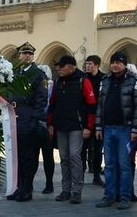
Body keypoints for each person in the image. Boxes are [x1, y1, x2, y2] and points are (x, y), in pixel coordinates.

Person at [95, 51, 137, 210]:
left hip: (126, 129)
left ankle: (125, 197)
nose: (115, 65)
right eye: (113, 62)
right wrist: (98, 127)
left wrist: (135, 129)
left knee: (124, 165)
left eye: (119, 62)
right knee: (109, 165)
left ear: (124, 64)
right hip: (108, 129)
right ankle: (109, 196)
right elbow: (100, 106)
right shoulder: (105, 80)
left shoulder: (134, 81)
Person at [47, 55, 96, 204]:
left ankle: (77, 190)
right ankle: (65, 189)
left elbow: (92, 105)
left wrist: (89, 127)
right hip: (61, 126)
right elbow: (52, 104)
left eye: (62, 66)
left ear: (71, 67)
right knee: (64, 158)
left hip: (77, 126)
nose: (59, 69)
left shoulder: (83, 80)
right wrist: (50, 123)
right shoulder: (58, 82)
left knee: (74, 156)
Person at [6, 42, 48, 202]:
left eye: (30, 53)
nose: (27, 56)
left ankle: (27, 189)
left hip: (28, 117)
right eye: (24, 53)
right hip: (14, 116)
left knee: (28, 156)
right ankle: (17, 187)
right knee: (15, 156)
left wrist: (35, 120)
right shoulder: (14, 72)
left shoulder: (38, 74)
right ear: (19, 55)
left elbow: (41, 99)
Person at [82, 55, 105, 186]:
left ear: (97, 65)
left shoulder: (103, 79)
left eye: (90, 64)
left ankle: (96, 175)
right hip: (85, 118)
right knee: (82, 149)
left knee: (97, 149)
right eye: (87, 64)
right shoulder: (83, 78)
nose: (88, 66)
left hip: (99, 118)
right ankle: (81, 173)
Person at [37, 64, 56, 194]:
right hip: (46, 123)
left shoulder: (49, 86)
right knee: (47, 155)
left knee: (36, 155)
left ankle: (48, 183)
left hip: (42, 122)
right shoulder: (52, 85)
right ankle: (49, 184)